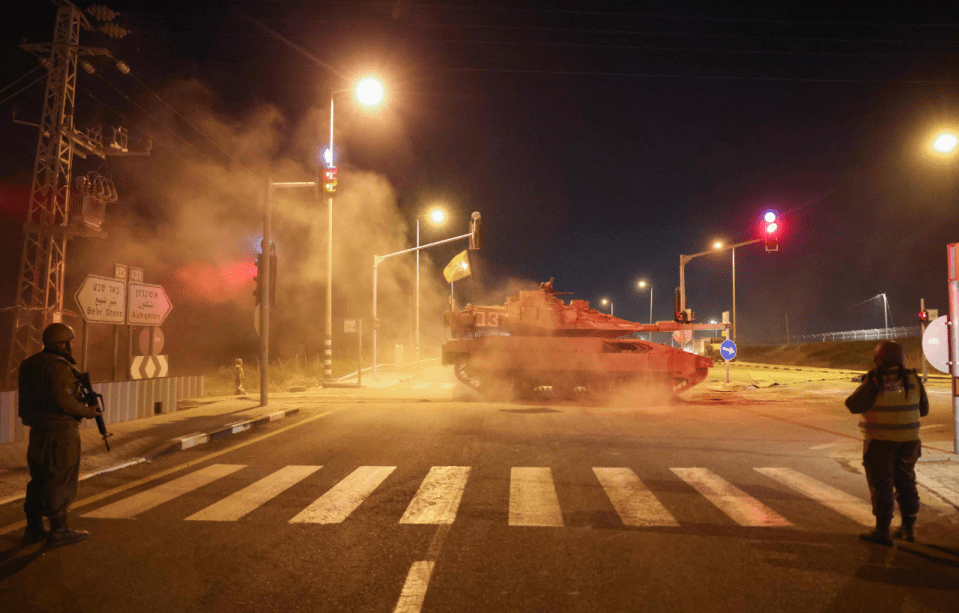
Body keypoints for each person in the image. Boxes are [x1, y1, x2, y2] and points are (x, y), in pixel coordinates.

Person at [18, 322, 100, 548]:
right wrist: (88, 411)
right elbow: (64, 400)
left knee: (39, 479)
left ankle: (34, 528)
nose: (71, 347)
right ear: (62, 344)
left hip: (38, 432)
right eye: (70, 343)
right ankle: (59, 530)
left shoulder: (29, 364)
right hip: (60, 434)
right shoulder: (58, 366)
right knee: (60, 478)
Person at [845, 341, 928, 546]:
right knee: (906, 483)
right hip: (909, 441)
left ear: (878, 360)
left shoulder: (875, 380)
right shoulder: (913, 379)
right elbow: (924, 410)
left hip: (880, 442)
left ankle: (882, 531)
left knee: (882, 485)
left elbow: (852, 404)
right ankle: (909, 529)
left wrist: (870, 378)